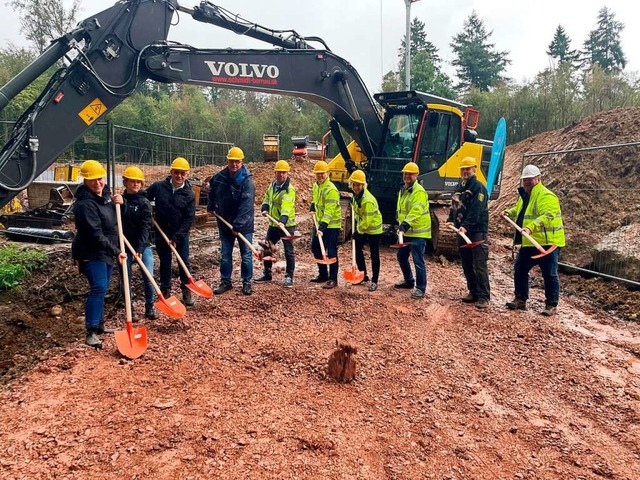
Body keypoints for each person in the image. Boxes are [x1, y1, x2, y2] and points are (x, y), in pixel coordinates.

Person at [72, 160, 126, 348]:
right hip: (91, 252)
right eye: (93, 180)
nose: (98, 183)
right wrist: (117, 251)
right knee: (98, 288)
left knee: (101, 288)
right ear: (85, 181)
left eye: (100, 179)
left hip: (106, 251)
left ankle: (100, 325)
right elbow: (95, 234)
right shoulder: (85, 204)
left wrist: (120, 203)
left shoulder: (105, 197)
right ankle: (91, 331)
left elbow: (114, 221)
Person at [503, 164, 565, 316]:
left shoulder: (546, 196)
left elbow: (548, 215)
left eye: (530, 179)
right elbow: (520, 211)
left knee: (549, 274)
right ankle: (520, 299)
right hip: (529, 241)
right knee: (520, 269)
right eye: (525, 180)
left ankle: (551, 304)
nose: (527, 182)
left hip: (547, 243)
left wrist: (531, 227)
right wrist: (508, 212)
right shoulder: (525, 195)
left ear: (538, 178)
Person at [146, 157, 196, 307]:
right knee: (165, 263)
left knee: (184, 263)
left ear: (186, 174)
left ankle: (186, 291)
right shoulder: (159, 187)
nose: (179, 176)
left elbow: (189, 219)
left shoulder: (189, 194)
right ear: (171, 172)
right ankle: (165, 291)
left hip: (180, 235)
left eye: (182, 173)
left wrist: (177, 237)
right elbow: (144, 198)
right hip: (162, 233)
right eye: (176, 172)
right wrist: (146, 210)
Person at [208, 146, 256, 296]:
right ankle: (225, 281)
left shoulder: (247, 182)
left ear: (242, 162)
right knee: (225, 254)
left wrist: (239, 225)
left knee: (246, 254)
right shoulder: (220, 177)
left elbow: (246, 206)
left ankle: (247, 281)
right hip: (225, 222)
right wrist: (211, 204)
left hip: (244, 224)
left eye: (237, 162)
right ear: (228, 161)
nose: (234, 164)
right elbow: (211, 190)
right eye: (232, 161)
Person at [447, 156, 490, 309]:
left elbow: (476, 210)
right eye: (463, 169)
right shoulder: (460, 187)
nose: (465, 171)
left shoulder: (479, 188)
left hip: (477, 231)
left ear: (474, 169)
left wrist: (466, 226)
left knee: (479, 264)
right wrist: (450, 219)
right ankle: (473, 292)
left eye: (468, 168)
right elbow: (454, 206)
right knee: (466, 263)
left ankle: (484, 296)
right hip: (462, 231)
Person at [120, 166, 157, 320]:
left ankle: (150, 306)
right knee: (125, 278)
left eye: (138, 182)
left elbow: (145, 227)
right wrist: (121, 205)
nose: (135, 184)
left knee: (148, 276)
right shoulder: (120, 202)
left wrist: (140, 248)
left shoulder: (144, 203)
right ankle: (131, 309)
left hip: (143, 245)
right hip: (124, 245)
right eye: (132, 181)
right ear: (125, 182)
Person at [255, 160, 297, 288]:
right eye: (279, 172)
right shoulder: (272, 185)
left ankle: (289, 276)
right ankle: (267, 274)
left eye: (284, 172)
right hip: (273, 224)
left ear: (287, 174)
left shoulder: (289, 189)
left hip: (286, 225)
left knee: (288, 250)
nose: (281, 175)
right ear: (275, 173)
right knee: (267, 247)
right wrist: (265, 207)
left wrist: (282, 221)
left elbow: (287, 206)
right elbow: (267, 197)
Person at [394, 162, 431, 299]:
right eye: (406, 173)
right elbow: (401, 207)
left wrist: (405, 224)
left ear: (417, 175)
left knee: (418, 260)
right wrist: (398, 219)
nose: (407, 176)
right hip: (407, 230)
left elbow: (416, 210)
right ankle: (409, 280)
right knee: (401, 256)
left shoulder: (419, 191)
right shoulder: (403, 189)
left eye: (410, 173)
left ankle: (421, 288)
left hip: (418, 232)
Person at [349, 169, 382, 292]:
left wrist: (358, 231)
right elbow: (358, 215)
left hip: (373, 229)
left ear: (363, 185)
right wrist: (357, 229)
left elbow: (367, 221)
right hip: (363, 226)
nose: (356, 187)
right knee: (357, 250)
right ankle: (363, 276)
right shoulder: (355, 197)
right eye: (354, 184)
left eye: (358, 185)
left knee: (374, 254)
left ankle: (375, 281)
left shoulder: (367, 200)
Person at [310, 160, 341, 289]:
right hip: (320, 223)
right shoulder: (317, 185)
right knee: (315, 248)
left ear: (328, 173)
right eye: (318, 174)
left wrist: (322, 228)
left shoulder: (331, 189)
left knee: (331, 251)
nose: (320, 176)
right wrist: (312, 206)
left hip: (331, 226)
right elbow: (315, 199)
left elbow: (329, 211)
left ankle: (333, 279)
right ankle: (323, 274)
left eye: (322, 173)